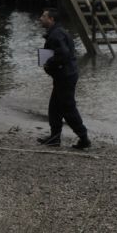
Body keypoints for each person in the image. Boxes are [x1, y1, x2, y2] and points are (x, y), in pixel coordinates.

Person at [37, 8, 91, 149]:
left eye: (44, 16)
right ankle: (55, 138)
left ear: (51, 19)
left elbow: (63, 55)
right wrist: (48, 64)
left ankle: (84, 138)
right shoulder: (57, 32)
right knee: (54, 108)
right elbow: (61, 54)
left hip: (65, 77)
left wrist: (48, 63)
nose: (40, 18)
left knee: (68, 109)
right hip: (64, 75)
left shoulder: (56, 35)